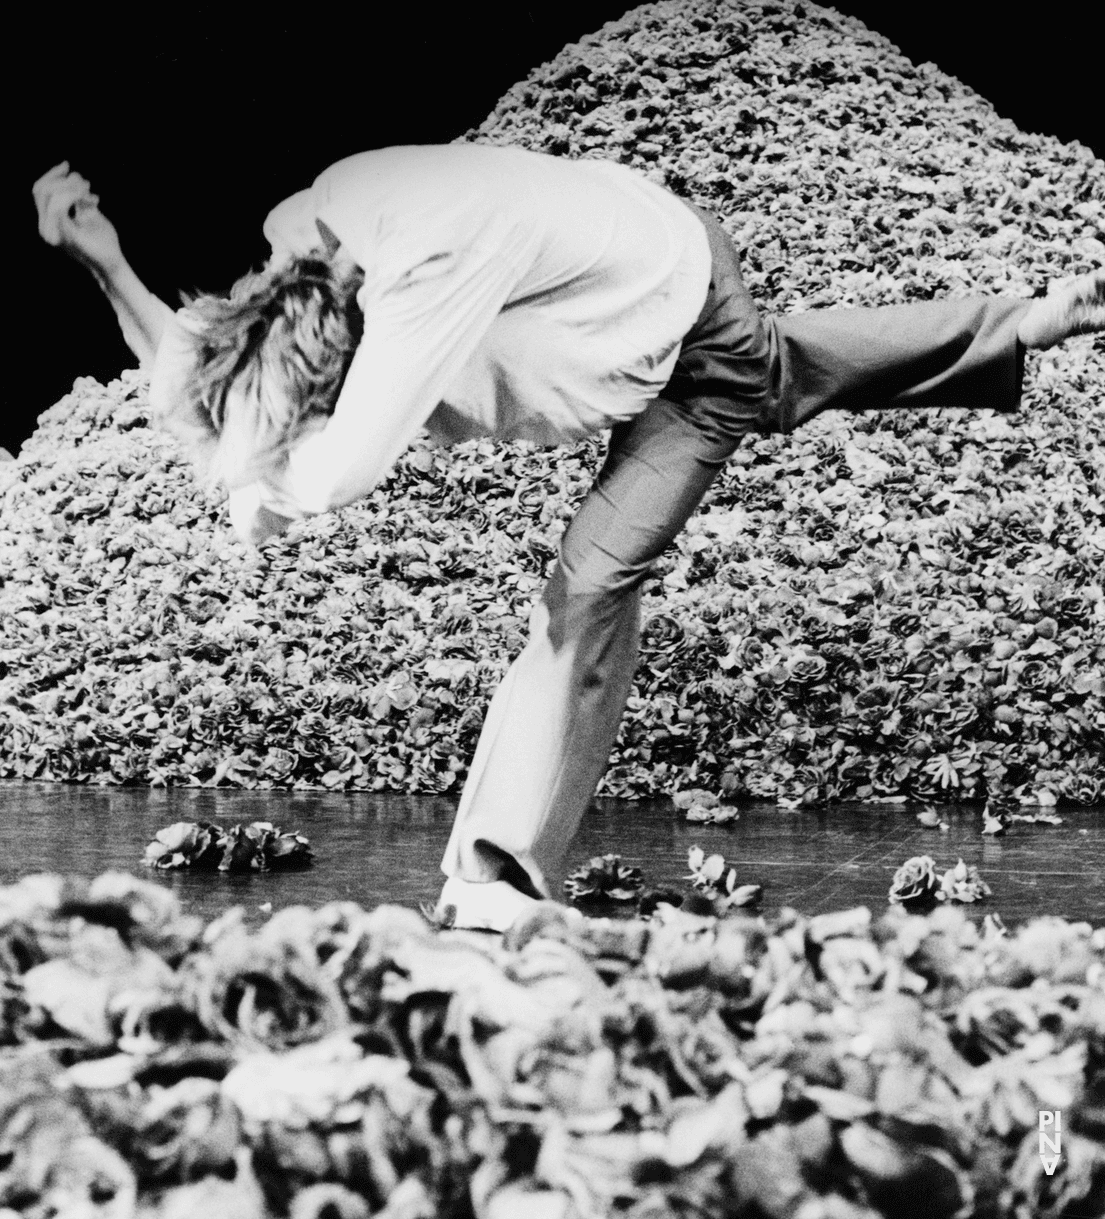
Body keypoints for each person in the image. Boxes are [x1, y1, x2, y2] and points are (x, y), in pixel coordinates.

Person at [33, 150, 1105, 932]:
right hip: (625, 265)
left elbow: (336, 474)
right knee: (771, 369)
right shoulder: (307, 236)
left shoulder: (422, 282)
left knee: (590, 584)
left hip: (675, 330)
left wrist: (259, 490)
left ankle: (497, 881)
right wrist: (108, 265)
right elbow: (216, 383)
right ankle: (1023, 320)